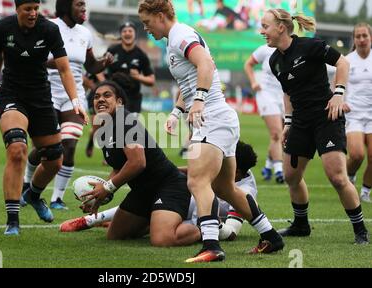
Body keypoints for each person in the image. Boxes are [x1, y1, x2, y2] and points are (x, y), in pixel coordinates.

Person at [138, 0, 284, 263]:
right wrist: (177, 112)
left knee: (197, 181)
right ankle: (271, 236)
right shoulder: (175, 39)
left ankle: (211, 245)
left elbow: (205, 64)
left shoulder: (180, 35)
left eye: (147, 22)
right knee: (225, 187)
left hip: (212, 118)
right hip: (218, 117)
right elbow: (190, 78)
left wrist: (200, 99)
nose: (146, 28)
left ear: (160, 16)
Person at [262, 9, 369, 244]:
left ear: (281, 27)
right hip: (300, 121)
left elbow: (342, 62)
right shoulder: (274, 61)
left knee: (338, 177)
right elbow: (287, 93)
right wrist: (288, 123)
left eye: (265, 26)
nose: (262, 31)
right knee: (291, 176)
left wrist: (338, 93)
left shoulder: (311, 46)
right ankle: (301, 225)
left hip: (326, 117)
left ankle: (360, 231)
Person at [63, 80, 202, 247]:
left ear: (119, 102)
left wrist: (107, 187)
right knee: (115, 235)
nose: (100, 99)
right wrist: (99, 196)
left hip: (167, 185)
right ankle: (156, 221)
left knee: (163, 240)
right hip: (142, 191)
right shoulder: (105, 127)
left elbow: (138, 162)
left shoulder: (125, 121)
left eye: (107, 95)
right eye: (96, 97)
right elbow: (118, 167)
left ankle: (205, 227)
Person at [0, 0, 87, 235]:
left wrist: (75, 102)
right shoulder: (1, 27)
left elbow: (64, 69)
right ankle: (12, 220)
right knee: (16, 148)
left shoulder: (49, 29)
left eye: (36, 8)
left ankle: (33, 195)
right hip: (12, 94)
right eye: (27, 9)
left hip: (41, 98)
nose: (33, 13)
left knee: (55, 159)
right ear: (17, 9)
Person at [60, 141, 259, 245]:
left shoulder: (246, 192)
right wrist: (167, 170)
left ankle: (92, 221)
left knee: (161, 235)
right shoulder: (223, 172)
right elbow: (193, 171)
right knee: (125, 233)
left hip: (195, 220)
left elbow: (232, 232)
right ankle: (93, 220)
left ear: (237, 171)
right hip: (181, 205)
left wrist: (211, 226)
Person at [21, 0, 113, 211]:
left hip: (74, 96)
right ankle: (27, 185)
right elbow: (32, 56)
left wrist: (103, 62)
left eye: (84, 5)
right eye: (79, 4)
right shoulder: (46, 26)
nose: (84, 8)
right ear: (66, 6)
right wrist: (58, 62)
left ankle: (57, 198)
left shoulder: (85, 34)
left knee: (69, 146)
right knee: (45, 149)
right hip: (46, 94)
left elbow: (90, 65)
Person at [244, 44, 284, 184]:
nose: (264, 32)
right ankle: (279, 170)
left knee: (282, 135)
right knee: (276, 134)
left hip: (285, 96)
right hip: (266, 94)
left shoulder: (292, 48)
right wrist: (254, 82)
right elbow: (248, 64)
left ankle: (267, 166)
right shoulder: (264, 49)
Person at [344, 23, 372, 203]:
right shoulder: (347, 60)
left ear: (371, 37)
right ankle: (348, 177)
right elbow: (337, 85)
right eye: (358, 36)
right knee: (356, 155)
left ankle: (365, 192)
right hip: (353, 114)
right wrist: (341, 100)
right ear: (354, 39)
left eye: (365, 36)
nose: (361, 39)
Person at [106, 20, 155, 115]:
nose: (127, 33)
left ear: (135, 34)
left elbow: (151, 80)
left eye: (130, 31)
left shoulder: (141, 55)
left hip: (133, 100)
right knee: (114, 128)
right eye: (124, 31)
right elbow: (99, 69)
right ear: (120, 34)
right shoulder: (112, 50)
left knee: (131, 128)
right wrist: (105, 83)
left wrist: (138, 77)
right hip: (114, 97)